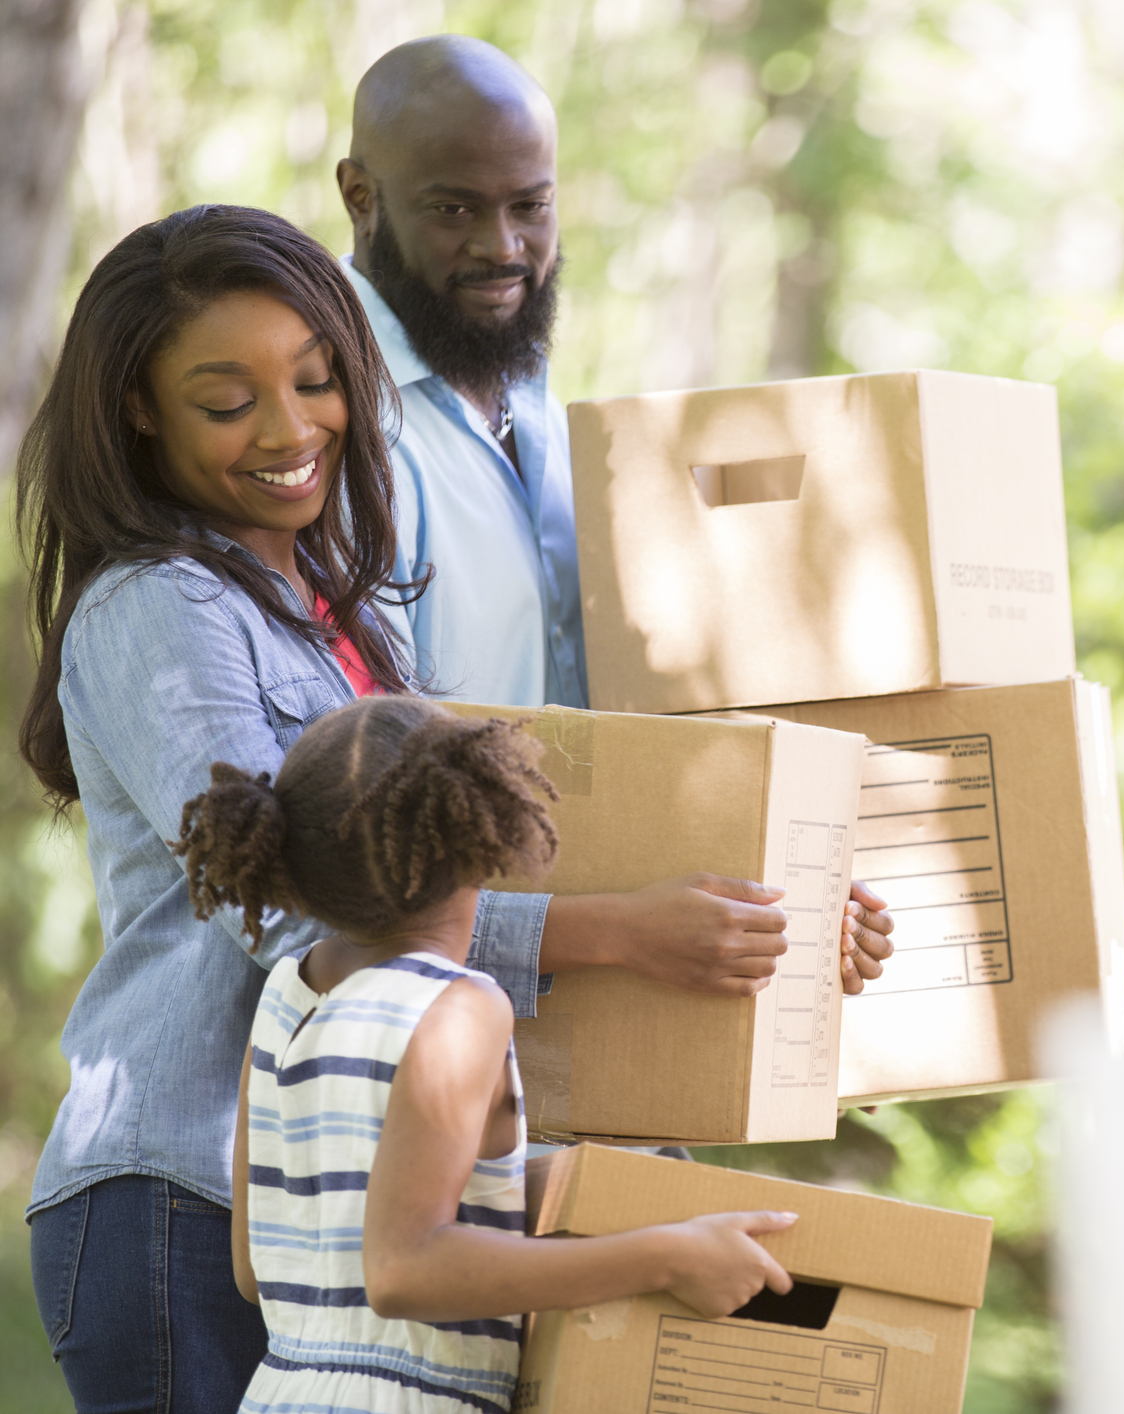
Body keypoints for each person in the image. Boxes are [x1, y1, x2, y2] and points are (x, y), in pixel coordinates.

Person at [13, 205, 798, 1410]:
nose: (290, 430)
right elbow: (296, 908)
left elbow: (457, 855)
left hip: (338, 1202)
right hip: (184, 1196)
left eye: (318, 380)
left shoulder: (335, 600)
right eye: (227, 402)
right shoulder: (158, 610)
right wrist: (627, 932)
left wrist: (776, 921)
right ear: (137, 409)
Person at [333, 33, 895, 995]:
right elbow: (349, 816)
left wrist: (788, 896)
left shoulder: (552, 422)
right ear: (361, 197)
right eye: (454, 209)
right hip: (420, 1024)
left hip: (594, 994)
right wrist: (619, 931)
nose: (502, 247)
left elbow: (624, 726)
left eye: (530, 206)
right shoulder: (334, 430)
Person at [172, 696, 799, 1411]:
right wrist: (668, 1256)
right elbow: (403, 1269)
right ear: (481, 836)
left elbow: (260, 1264)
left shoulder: (288, 993)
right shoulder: (459, 1009)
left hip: (279, 1389)